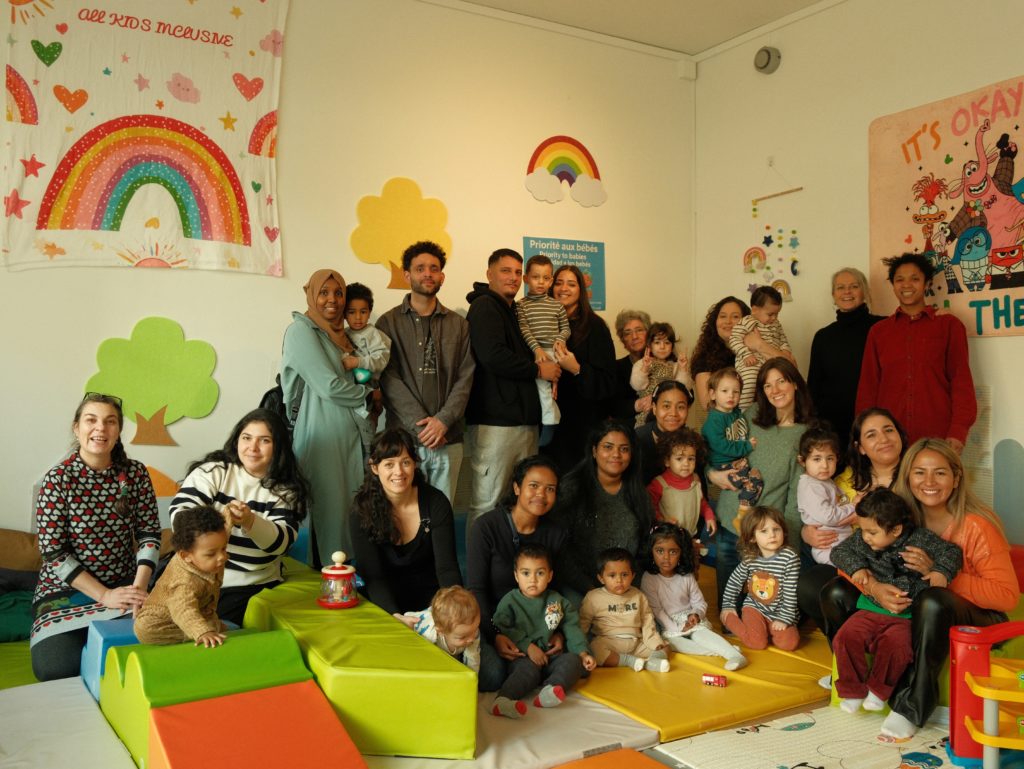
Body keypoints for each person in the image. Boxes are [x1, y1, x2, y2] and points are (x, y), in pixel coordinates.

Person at [822, 439, 1018, 739]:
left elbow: (1006, 597)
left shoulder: (977, 526)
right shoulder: (898, 518)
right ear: (907, 476)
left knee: (932, 600)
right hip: (905, 606)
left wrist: (939, 574)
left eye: (940, 473)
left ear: (956, 478)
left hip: (975, 616)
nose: (929, 482)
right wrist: (874, 588)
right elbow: (847, 560)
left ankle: (912, 705)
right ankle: (856, 681)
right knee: (835, 591)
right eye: (919, 472)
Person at [31, 393, 161, 681]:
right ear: (76, 428)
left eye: (110, 421)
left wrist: (138, 589)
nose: (100, 428)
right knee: (55, 669)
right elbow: (54, 554)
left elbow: (149, 534)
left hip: (125, 584)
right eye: (91, 420)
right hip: (65, 590)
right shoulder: (57, 480)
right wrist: (103, 595)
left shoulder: (136, 474)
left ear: (118, 430)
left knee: (148, 651)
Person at [169, 408, 310, 625]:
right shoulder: (214, 471)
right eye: (247, 438)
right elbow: (181, 515)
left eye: (264, 440)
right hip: (194, 575)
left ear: (278, 447)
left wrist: (250, 521)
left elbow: (280, 544)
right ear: (237, 440)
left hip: (247, 584)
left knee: (205, 627)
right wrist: (219, 520)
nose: (253, 447)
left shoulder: (285, 491)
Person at [829, 489, 961, 715]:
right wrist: (857, 568)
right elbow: (839, 552)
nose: (865, 537)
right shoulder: (862, 541)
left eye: (872, 532)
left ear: (896, 529)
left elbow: (952, 552)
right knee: (845, 638)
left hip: (906, 616)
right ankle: (852, 691)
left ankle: (878, 691)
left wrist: (941, 571)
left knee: (897, 647)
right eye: (863, 530)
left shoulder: (921, 539)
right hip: (870, 609)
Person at [799, 408, 908, 669]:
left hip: (894, 560)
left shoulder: (914, 475)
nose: (883, 438)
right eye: (871, 434)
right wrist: (806, 532)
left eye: (888, 430)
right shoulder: (845, 479)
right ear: (860, 447)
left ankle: (875, 661)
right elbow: (822, 512)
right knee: (811, 585)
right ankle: (847, 664)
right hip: (850, 554)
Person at [464, 249, 559, 528]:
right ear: (489, 274)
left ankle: (513, 558)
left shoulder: (514, 310)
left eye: (518, 272)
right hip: (496, 425)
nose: (513, 277)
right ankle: (480, 559)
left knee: (519, 505)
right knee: (487, 503)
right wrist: (538, 370)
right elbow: (492, 355)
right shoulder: (485, 306)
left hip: (522, 423)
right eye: (506, 270)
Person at [377, 241, 475, 502]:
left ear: (442, 276)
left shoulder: (459, 325)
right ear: (407, 275)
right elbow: (388, 378)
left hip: (448, 438)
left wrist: (442, 421)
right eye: (420, 268)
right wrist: (423, 426)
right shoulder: (388, 323)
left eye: (434, 268)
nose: (428, 274)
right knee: (401, 512)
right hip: (404, 441)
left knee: (442, 512)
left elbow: (466, 377)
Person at [281, 269, 368, 566]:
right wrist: (368, 394)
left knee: (350, 515)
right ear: (310, 294)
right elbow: (328, 386)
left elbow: (359, 374)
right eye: (324, 292)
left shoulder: (343, 336)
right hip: (322, 437)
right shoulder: (301, 332)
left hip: (351, 438)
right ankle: (327, 580)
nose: (332, 299)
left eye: (339, 293)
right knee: (329, 517)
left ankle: (346, 581)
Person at [710, 358, 811, 613]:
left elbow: (796, 496)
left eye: (781, 381)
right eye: (767, 385)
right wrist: (711, 474)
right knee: (728, 611)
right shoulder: (751, 414)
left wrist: (788, 548)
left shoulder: (804, 434)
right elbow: (715, 450)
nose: (775, 390)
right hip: (729, 523)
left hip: (766, 537)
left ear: (795, 384)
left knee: (762, 613)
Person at [856, 252, 977, 451]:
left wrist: (958, 431)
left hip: (938, 436)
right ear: (893, 285)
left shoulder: (949, 326)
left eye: (914, 279)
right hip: (888, 440)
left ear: (927, 284)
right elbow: (868, 388)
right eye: (899, 280)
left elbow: (961, 382)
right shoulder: (878, 332)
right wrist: (865, 432)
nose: (906, 285)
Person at [466, 455, 567, 691]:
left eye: (550, 489)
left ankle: (536, 674)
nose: (541, 494)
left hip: (536, 622)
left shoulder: (555, 533)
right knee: (492, 675)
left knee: (571, 655)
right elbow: (476, 589)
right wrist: (495, 635)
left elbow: (557, 588)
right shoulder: (486, 527)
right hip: (492, 620)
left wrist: (557, 631)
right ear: (516, 488)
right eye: (534, 486)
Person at [350, 428, 462, 615]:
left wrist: (452, 611)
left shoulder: (436, 502)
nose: (399, 472)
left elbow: (447, 569)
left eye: (405, 462)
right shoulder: (361, 511)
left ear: (415, 464)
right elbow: (374, 577)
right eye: (389, 464)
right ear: (375, 467)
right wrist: (394, 616)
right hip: (382, 603)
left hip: (432, 603)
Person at [550, 420, 655, 598]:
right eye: (608, 447)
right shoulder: (572, 488)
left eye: (624, 449)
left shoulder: (638, 492)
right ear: (594, 451)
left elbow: (644, 546)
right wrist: (590, 589)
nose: (616, 455)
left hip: (625, 584)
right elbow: (560, 549)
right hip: (579, 585)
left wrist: (627, 586)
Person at [490, 544, 596, 718]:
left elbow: (572, 627)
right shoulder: (510, 601)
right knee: (526, 672)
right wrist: (527, 647)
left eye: (539, 573)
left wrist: (583, 653)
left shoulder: (557, 601)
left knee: (573, 661)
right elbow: (502, 628)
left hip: (551, 657)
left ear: (550, 576)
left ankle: (549, 691)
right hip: (524, 658)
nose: (533, 579)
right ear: (516, 576)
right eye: (526, 573)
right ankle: (503, 700)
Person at [640, 522, 747, 670]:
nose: (666, 557)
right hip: (668, 625)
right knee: (673, 644)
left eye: (673, 552)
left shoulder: (686, 576)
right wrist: (678, 628)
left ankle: (735, 656)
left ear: (681, 553)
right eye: (660, 551)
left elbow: (700, 603)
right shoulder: (649, 578)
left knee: (700, 635)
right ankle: (726, 651)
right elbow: (657, 610)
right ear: (651, 551)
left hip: (690, 619)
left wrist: (696, 615)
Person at [546, 264, 617, 472]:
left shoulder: (595, 327)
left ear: (581, 290)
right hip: (547, 421)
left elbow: (608, 383)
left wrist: (577, 368)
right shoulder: (543, 323)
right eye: (559, 283)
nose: (563, 288)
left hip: (582, 426)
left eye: (571, 284)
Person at [807, 268, 884, 445]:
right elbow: (813, 387)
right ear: (833, 295)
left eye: (854, 286)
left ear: (864, 291)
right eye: (840, 287)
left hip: (873, 422)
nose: (847, 292)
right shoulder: (823, 336)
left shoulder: (882, 327)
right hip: (832, 428)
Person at [135, 506, 230, 647]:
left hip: (196, 609)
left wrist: (229, 516)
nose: (222, 557)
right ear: (186, 556)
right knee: (145, 630)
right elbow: (183, 609)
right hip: (162, 620)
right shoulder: (185, 582)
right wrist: (203, 631)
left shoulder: (207, 555)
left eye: (224, 548)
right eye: (211, 554)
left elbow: (223, 534)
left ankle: (204, 625)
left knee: (209, 622)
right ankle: (200, 629)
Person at [719, 506, 800, 651]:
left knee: (789, 644)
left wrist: (784, 619)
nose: (772, 535)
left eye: (776, 529)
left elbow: (790, 592)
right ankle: (729, 620)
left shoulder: (789, 558)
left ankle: (766, 629)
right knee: (757, 643)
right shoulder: (750, 558)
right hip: (755, 608)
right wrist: (728, 606)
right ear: (752, 537)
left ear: (783, 531)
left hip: (780, 611)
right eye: (764, 531)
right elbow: (734, 581)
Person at [579, 547, 670, 672]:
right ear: (601, 578)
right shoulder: (593, 597)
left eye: (624, 575)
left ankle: (651, 663)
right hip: (609, 642)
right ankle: (629, 661)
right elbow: (583, 623)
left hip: (636, 643)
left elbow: (647, 621)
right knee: (594, 649)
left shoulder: (638, 595)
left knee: (666, 646)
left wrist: (654, 642)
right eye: (612, 575)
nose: (619, 580)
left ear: (633, 576)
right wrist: (580, 648)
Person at [516, 254, 570, 446]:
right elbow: (524, 329)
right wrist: (537, 349)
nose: (541, 282)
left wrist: (560, 340)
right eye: (535, 277)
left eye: (546, 278)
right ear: (526, 278)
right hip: (535, 352)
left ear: (551, 280)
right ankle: (547, 418)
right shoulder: (521, 305)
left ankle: (550, 421)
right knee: (541, 387)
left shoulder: (557, 305)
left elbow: (565, 328)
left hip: (555, 351)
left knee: (545, 388)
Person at [701, 366, 764, 524]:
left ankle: (742, 512)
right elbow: (722, 446)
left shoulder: (736, 413)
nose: (731, 395)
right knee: (751, 480)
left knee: (756, 479)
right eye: (725, 391)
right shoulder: (714, 421)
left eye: (736, 392)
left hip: (736, 462)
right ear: (712, 394)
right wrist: (746, 447)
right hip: (723, 465)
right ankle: (742, 513)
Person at [797, 426, 856, 566]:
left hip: (842, 543)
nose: (824, 465)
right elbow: (828, 517)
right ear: (802, 461)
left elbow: (840, 502)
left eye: (830, 458)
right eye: (817, 459)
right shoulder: (810, 486)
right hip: (829, 548)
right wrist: (854, 506)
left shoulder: (825, 481)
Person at [343, 282, 392, 453]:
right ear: (344, 313)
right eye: (352, 312)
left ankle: (369, 457)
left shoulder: (374, 334)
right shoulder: (343, 334)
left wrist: (358, 362)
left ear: (369, 312)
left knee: (367, 432)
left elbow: (382, 359)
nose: (358, 317)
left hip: (370, 389)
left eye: (363, 312)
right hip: (351, 391)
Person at [646, 427, 716, 545]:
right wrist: (662, 520)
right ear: (667, 461)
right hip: (667, 539)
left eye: (691, 459)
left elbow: (701, 502)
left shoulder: (696, 480)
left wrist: (709, 516)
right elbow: (649, 508)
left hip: (690, 536)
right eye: (679, 459)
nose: (686, 463)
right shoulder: (659, 484)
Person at [729, 286, 795, 409]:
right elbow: (734, 339)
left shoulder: (776, 324)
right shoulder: (747, 321)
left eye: (777, 314)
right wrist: (746, 354)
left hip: (770, 364)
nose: (774, 318)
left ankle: (768, 410)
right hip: (751, 363)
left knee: (779, 384)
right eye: (770, 314)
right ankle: (743, 410)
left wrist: (785, 352)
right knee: (750, 382)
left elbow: (783, 340)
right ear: (755, 310)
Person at [397, 586, 482, 676]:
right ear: (441, 632)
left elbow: (473, 659)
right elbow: (417, 655)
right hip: (417, 623)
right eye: (462, 637)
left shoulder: (471, 633)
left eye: (474, 630)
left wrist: (471, 679)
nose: (471, 639)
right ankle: (399, 617)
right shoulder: (429, 635)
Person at [690, 296, 751, 413]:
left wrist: (759, 345)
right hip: (725, 420)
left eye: (735, 317)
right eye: (723, 316)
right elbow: (707, 404)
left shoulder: (754, 351)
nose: (728, 321)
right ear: (715, 322)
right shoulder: (705, 357)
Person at [629, 321, 693, 427]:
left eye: (667, 343)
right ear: (649, 345)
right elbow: (637, 385)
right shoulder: (642, 363)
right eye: (657, 342)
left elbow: (683, 388)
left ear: (672, 346)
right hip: (648, 411)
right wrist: (644, 369)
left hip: (669, 411)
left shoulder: (675, 365)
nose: (662, 347)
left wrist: (682, 369)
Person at [635, 380, 692, 485]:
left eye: (680, 407)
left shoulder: (693, 441)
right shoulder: (637, 438)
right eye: (666, 406)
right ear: (654, 408)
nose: (673, 413)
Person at [609, 309, 652, 424]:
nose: (634, 336)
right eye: (627, 333)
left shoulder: (665, 361)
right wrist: (638, 404)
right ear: (622, 340)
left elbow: (688, 395)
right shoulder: (616, 368)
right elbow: (612, 407)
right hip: (628, 429)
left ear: (649, 334)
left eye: (639, 330)